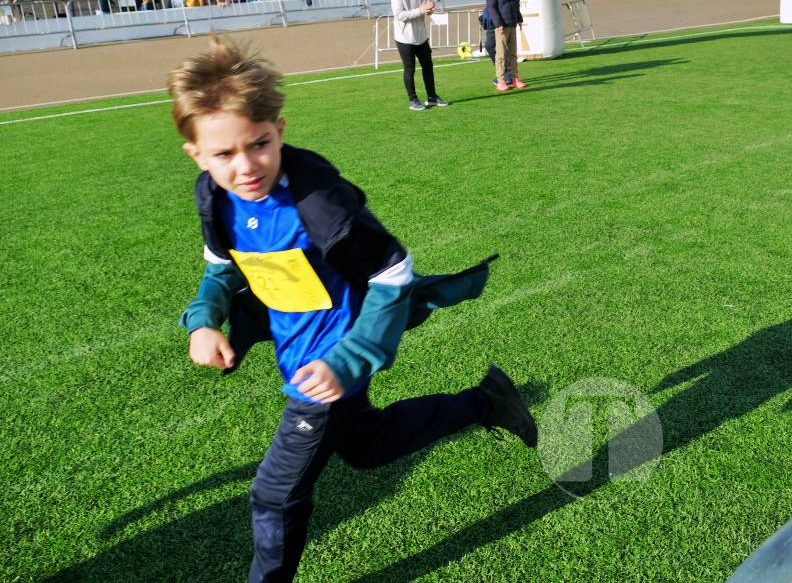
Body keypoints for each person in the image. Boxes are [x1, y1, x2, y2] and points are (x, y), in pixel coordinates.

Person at [166, 39, 536, 583]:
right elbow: (222, 267)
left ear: (280, 130)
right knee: (368, 446)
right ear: (196, 154)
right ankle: (485, 403)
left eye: (259, 144)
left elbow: (393, 274)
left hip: (329, 363)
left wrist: (349, 360)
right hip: (301, 356)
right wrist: (204, 320)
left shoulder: (319, 200)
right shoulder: (215, 197)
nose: (245, 166)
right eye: (223, 154)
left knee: (274, 496)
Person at [391, 0, 448, 111]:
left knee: (428, 66)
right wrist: (421, 10)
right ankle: (413, 100)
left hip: (421, 36)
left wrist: (430, 10)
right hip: (404, 38)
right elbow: (399, 15)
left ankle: (432, 97)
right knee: (409, 69)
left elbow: (426, 10)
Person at [484, 0, 526, 92]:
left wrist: (519, 18)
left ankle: (515, 78)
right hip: (501, 26)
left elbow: (515, 1)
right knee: (501, 55)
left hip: (512, 23)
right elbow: (491, 7)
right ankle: (501, 80)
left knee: (513, 54)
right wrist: (498, 23)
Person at [478, 0, 499, 81]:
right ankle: (505, 74)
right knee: (493, 47)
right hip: (493, 19)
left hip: (497, 21)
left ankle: (504, 74)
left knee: (490, 46)